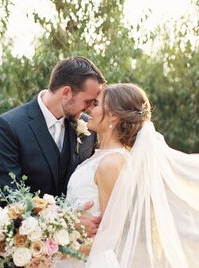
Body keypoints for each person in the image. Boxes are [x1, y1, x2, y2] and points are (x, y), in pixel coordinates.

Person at [0, 56, 107, 268]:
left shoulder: (88, 129)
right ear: (66, 92)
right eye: (88, 101)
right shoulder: (9, 126)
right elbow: (9, 196)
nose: (89, 108)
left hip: (67, 256)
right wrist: (69, 220)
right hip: (16, 253)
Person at [60, 83, 199, 267]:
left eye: (96, 104)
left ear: (113, 115)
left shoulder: (111, 163)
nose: (89, 109)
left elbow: (110, 237)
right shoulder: (104, 156)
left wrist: (57, 249)